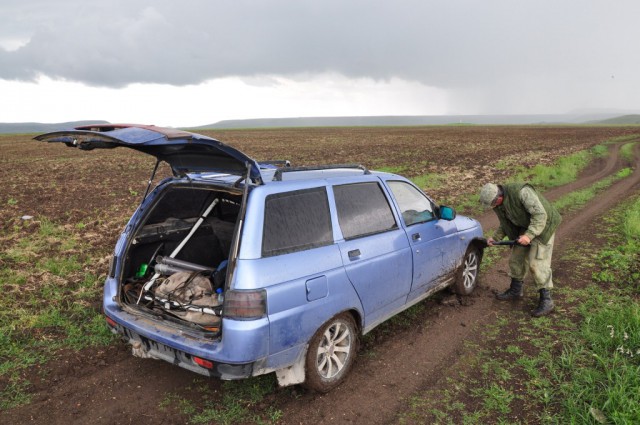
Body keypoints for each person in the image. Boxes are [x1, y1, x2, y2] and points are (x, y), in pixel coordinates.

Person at [479, 182, 562, 317]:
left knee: (537, 263)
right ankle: (516, 290)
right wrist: (495, 237)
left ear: (498, 197)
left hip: (544, 224)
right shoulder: (498, 204)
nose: (491, 207)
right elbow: (505, 223)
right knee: (516, 259)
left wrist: (529, 236)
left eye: (492, 204)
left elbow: (540, 215)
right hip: (526, 225)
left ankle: (547, 300)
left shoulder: (522, 192)